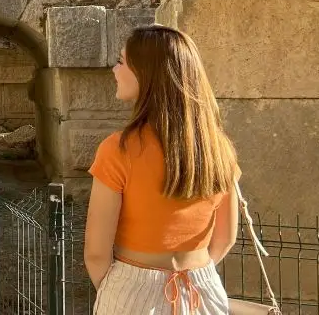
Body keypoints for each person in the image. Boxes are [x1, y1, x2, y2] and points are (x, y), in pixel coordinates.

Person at [84, 25, 240, 314]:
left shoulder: (118, 149)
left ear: (146, 73)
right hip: (202, 289)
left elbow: (96, 253)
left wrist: (122, 290)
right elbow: (225, 238)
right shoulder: (219, 148)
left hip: (133, 287)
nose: (114, 70)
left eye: (121, 61)